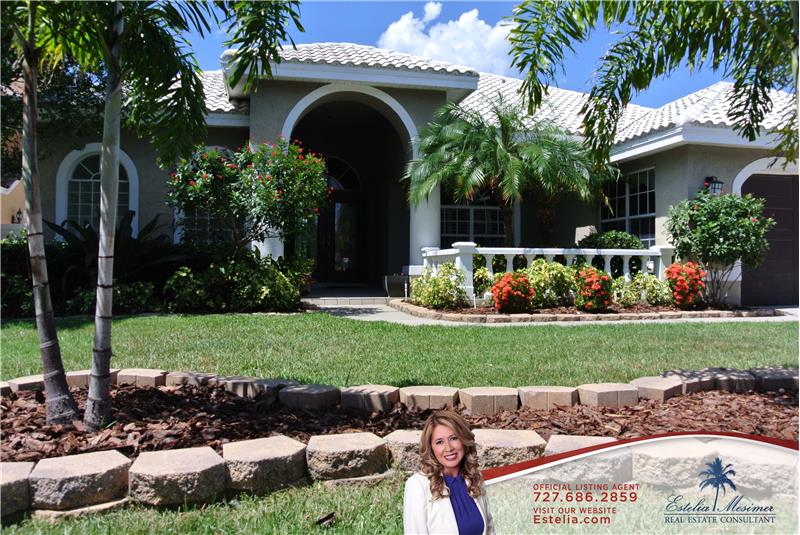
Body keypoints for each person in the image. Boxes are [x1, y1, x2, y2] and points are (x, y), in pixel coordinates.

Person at [403, 410, 495, 535]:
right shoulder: (417, 485)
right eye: (439, 442)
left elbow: (490, 528)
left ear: (464, 440)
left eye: (454, 438)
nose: (449, 448)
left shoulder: (475, 477)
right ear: (431, 447)